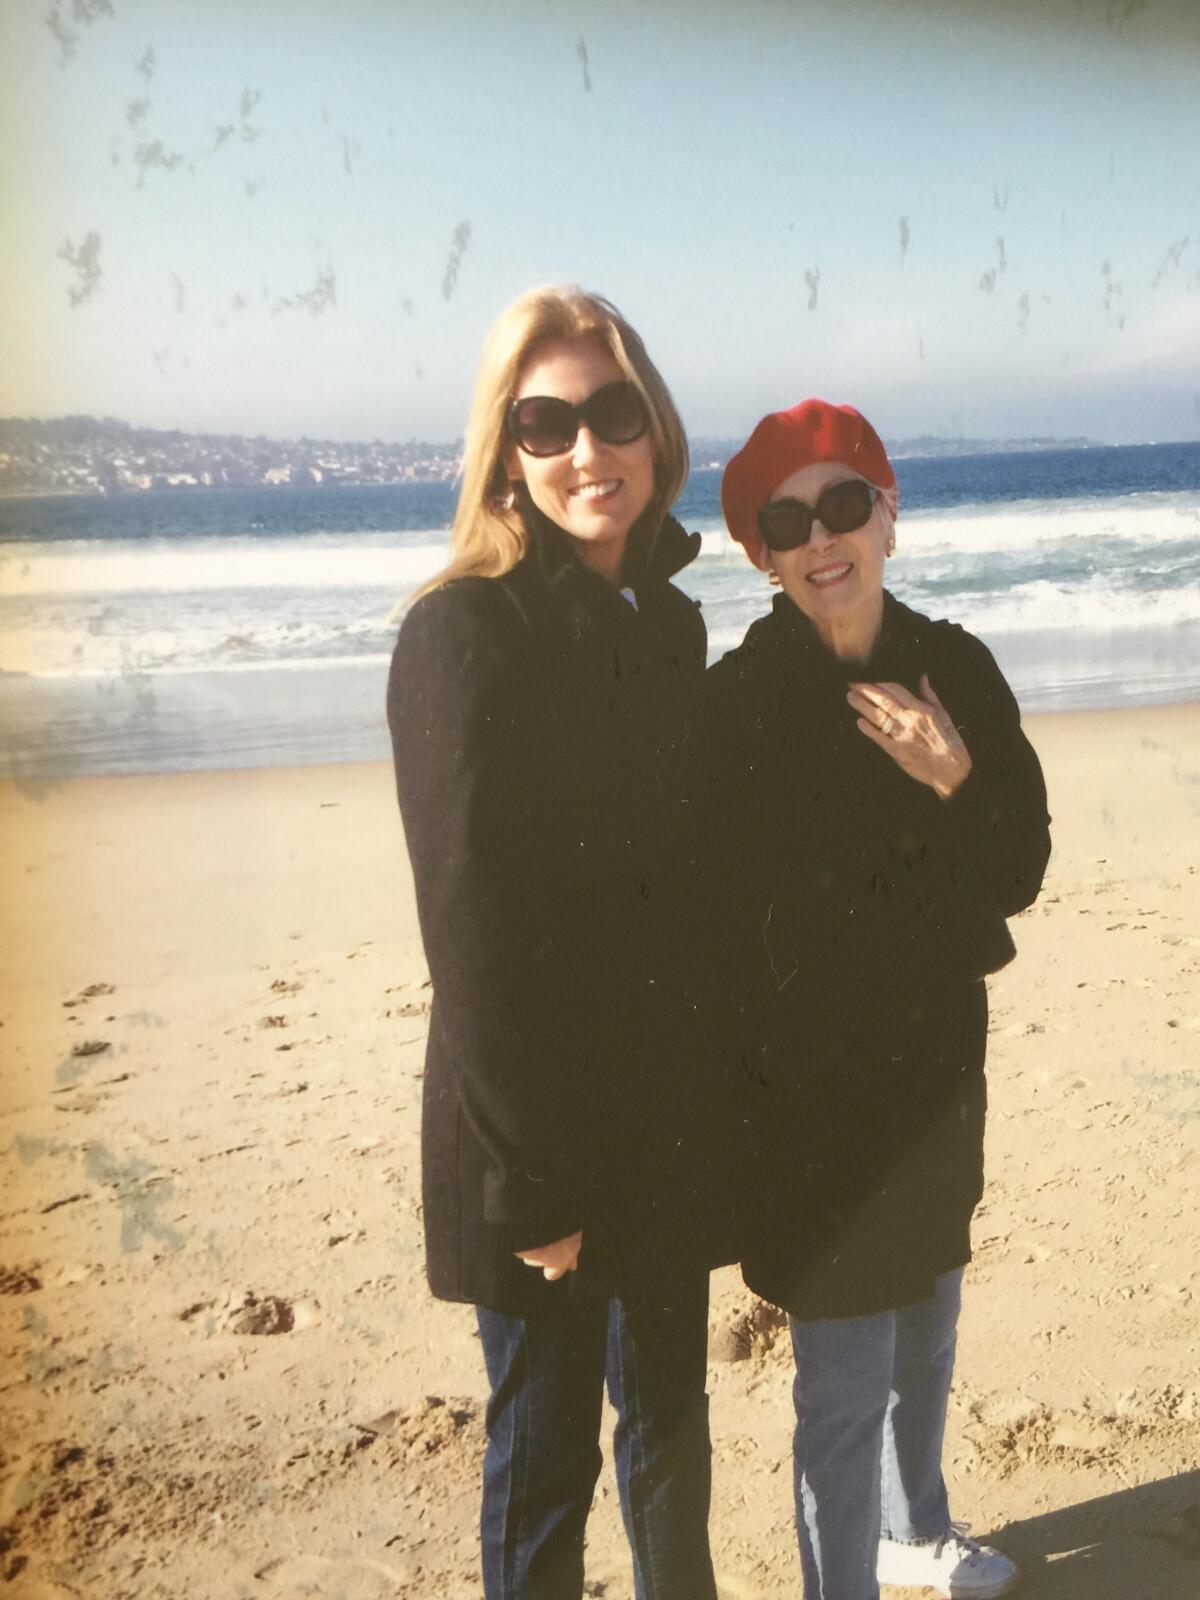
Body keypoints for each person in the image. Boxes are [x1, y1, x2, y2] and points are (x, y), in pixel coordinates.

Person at [386, 285, 725, 1600]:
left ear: (656, 431)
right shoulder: (464, 634)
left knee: (672, 1435)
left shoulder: (668, 625)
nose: (589, 449)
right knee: (545, 1463)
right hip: (536, 1144)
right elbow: (472, 930)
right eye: (548, 422)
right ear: (507, 455)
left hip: (662, 1123)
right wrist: (532, 1189)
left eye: (613, 411)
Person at [707, 399, 1051, 1600]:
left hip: (936, 1074)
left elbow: (1022, 869)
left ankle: (919, 1531)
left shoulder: (956, 667)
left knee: (929, 1327)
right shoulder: (736, 703)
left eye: (842, 502)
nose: (820, 536)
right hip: (808, 1110)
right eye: (785, 519)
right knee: (841, 1387)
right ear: (762, 551)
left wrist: (954, 775)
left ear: (889, 513)